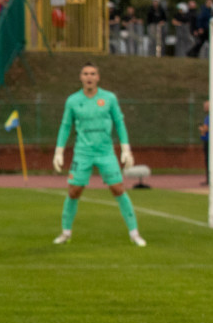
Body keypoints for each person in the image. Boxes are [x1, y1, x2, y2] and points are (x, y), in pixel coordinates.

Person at [52, 62, 146, 247]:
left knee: (118, 189)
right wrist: (59, 152)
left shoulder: (109, 98)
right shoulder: (72, 100)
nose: (89, 77)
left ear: (98, 77)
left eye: (92, 73)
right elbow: (65, 126)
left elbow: (119, 122)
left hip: (105, 152)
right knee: (74, 191)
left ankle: (134, 233)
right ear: (81, 77)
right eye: (85, 73)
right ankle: (65, 232)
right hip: (83, 152)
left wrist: (126, 149)